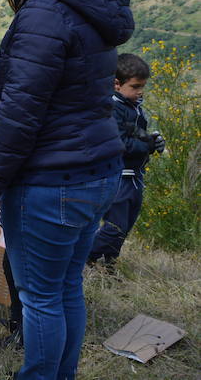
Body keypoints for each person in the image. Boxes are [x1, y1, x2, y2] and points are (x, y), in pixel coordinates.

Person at [0, 0, 133, 380]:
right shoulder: (87, 6)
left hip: (52, 179)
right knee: (65, 289)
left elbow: (20, 114)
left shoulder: (44, 14)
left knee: (39, 296)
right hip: (98, 169)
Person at [88, 53, 165, 268]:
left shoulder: (133, 105)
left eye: (143, 87)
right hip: (120, 176)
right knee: (115, 226)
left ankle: (110, 262)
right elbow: (120, 144)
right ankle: (88, 258)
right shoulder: (113, 108)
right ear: (117, 84)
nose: (140, 91)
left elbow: (136, 136)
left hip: (134, 176)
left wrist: (153, 141)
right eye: (135, 86)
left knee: (126, 224)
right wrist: (147, 146)